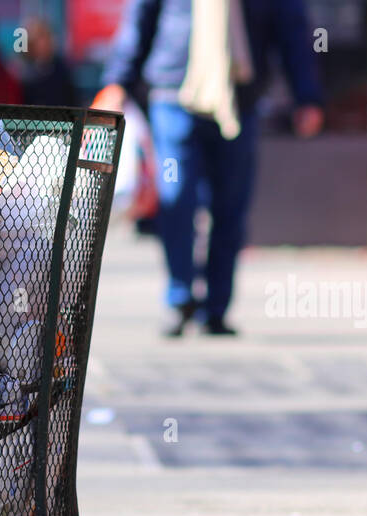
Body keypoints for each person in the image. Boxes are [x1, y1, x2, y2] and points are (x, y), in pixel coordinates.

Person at [96, 0, 324, 337]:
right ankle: (179, 297)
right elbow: (139, 21)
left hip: (238, 102)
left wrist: (306, 96)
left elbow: (291, 27)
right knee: (175, 193)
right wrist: (118, 81)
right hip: (173, 98)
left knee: (230, 205)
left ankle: (216, 308)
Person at [19, 18, 79, 107]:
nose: (44, 42)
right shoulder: (22, 72)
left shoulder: (62, 70)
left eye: (47, 36)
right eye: (39, 38)